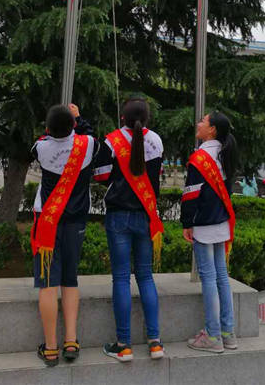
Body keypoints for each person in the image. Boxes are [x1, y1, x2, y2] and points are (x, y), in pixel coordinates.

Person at [95, 97, 165, 362]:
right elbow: (156, 175)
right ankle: (155, 343)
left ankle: (123, 345)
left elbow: (101, 175)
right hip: (146, 216)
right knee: (146, 277)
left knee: (122, 278)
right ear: (146, 118)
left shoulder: (111, 141)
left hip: (119, 216)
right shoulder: (156, 140)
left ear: (123, 117)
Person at [30, 103, 97, 367]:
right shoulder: (88, 145)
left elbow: (42, 138)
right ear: (73, 125)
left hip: (47, 221)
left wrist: (58, 126)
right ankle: (70, 341)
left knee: (47, 283)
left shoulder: (41, 148)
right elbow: (90, 134)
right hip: (75, 221)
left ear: (48, 128)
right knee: (70, 280)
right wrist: (79, 118)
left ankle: (50, 348)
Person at [181, 111, 239, 353]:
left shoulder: (200, 158)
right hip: (221, 222)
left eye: (203, 121)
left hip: (204, 224)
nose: (199, 124)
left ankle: (212, 336)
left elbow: (191, 194)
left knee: (208, 278)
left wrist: (186, 223)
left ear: (212, 129)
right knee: (221, 277)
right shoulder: (225, 153)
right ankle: (228, 333)